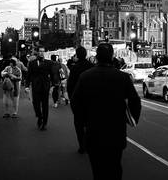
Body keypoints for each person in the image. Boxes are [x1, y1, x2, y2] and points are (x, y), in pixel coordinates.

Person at [71, 43, 141, 180]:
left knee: (98, 170)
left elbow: (75, 102)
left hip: (93, 130)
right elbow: (135, 101)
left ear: (97, 57)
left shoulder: (86, 77)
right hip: (116, 130)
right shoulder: (123, 77)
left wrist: (84, 121)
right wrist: (130, 119)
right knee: (115, 167)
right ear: (112, 57)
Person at [67, 46, 93, 154]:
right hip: (91, 100)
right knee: (90, 123)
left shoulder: (75, 68)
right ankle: (89, 143)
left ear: (77, 55)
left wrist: (71, 99)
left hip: (78, 100)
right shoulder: (92, 67)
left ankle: (82, 145)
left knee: (79, 124)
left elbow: (70, 85)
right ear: (86, 54)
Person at [25, 46, 54, 131]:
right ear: (37, 52)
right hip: (35, 86)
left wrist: (52, 86)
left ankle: (44, 123)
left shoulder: (49, 63)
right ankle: (39, 116)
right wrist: (26, 86)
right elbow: (29, 75)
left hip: (45, 87)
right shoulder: (32, 63)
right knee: (36, 104)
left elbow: (52, 75)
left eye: (43, 51)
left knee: (45, 105)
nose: (41, 53)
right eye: (40, 51)